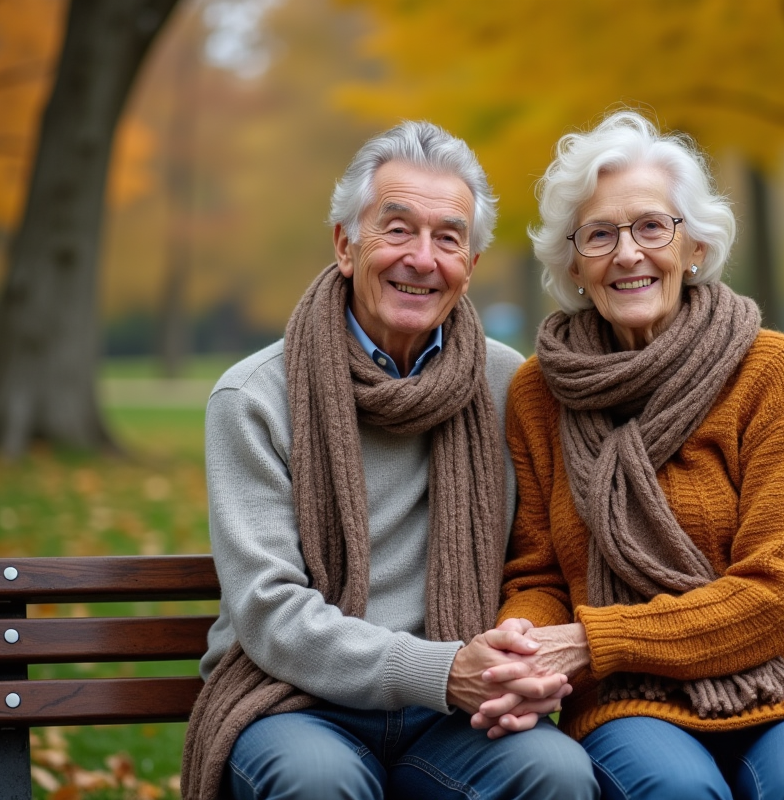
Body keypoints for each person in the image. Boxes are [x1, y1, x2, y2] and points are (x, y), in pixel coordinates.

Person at [476, 110, 784, 800]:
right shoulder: (539, 392)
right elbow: (542, 573)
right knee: (675, 790)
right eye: (600, 234)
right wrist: (522, 640)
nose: (628, 253)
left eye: (651, 226)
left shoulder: (772, 370)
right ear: (575, 264)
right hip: (629, 698)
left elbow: (782, 591)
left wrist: (590, 642)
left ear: (695, 246)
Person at [180, 121, 599, 800]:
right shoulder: (255, 396)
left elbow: (538, 562)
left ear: (470, 267)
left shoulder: (506, 383)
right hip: (294, 700)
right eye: (397, 229)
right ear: (347, 245)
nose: (423, 259)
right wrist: (439, 670)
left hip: (455, 714)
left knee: (556, 774)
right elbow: (268, 611)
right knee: (319, 782)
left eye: (449, 238)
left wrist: (513, 658)